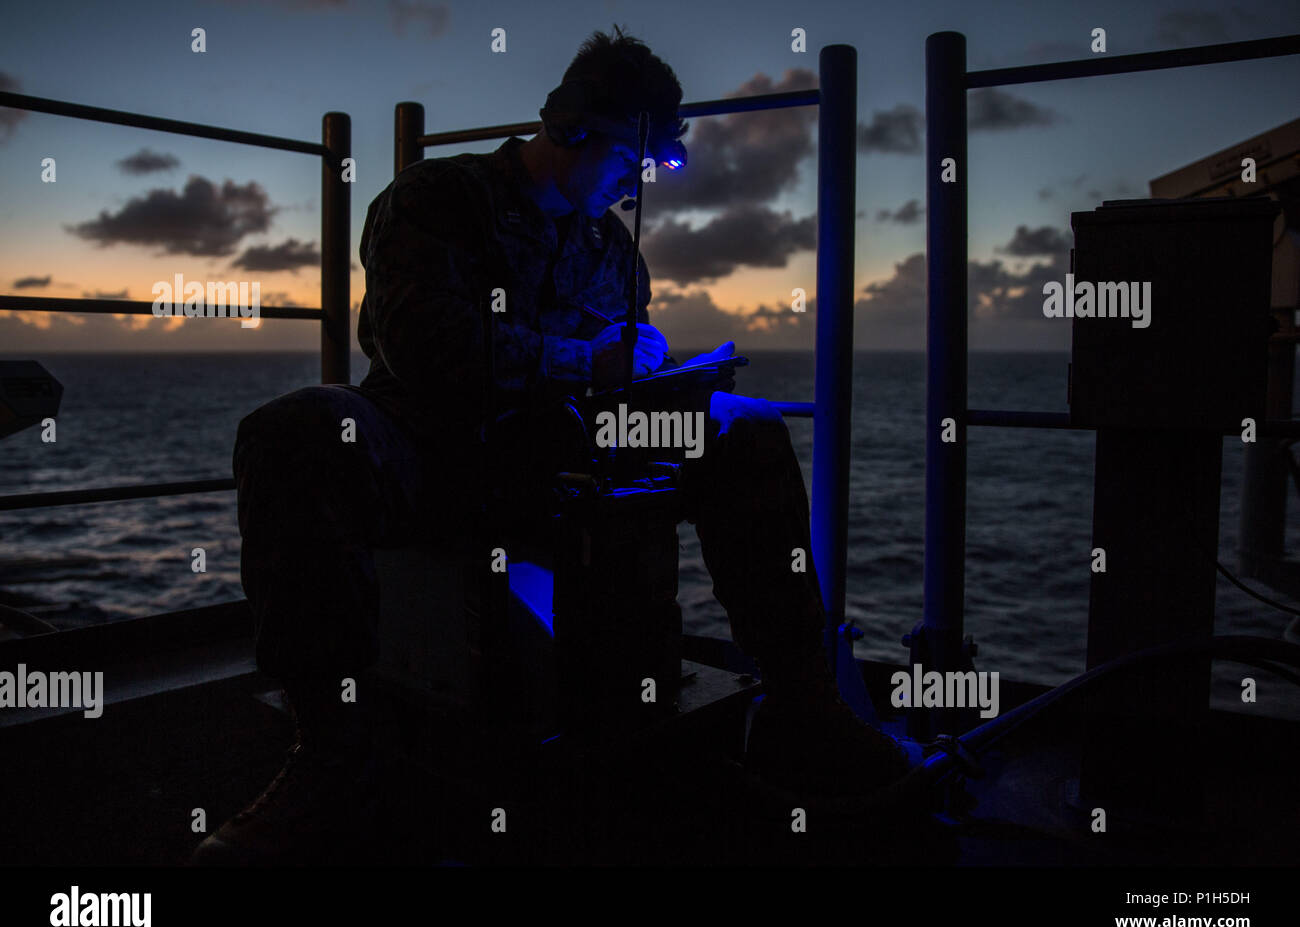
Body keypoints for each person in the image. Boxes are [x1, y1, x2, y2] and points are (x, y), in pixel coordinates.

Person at [192, 26, 910, 866]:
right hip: (430, 440)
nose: (629, 181)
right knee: (299, 432)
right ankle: (332, 758)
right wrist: (582, 358)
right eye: (623, 157)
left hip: (567, 445)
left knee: (744, 428)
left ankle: (802, 709)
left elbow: (615, 365)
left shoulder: (612, 250)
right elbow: (428, 348)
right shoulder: (436, 198)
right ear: (570, 130)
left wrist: (654, 373)